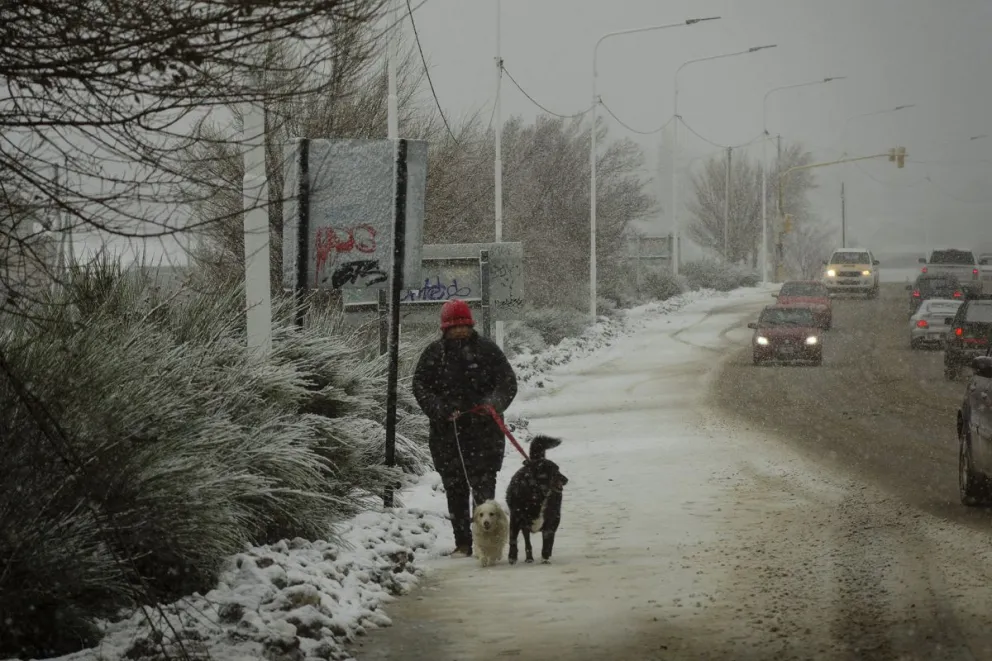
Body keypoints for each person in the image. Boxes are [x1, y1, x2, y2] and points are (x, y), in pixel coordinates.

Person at [412, 299, 518, 558]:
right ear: (444, 328)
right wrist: (439, 409)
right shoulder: (434, 355)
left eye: (464, 325)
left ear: (471, 325)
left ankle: (486, 543)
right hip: (447, 437)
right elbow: (420, 387)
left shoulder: (488, 351)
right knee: (455, 489)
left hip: (485, 435)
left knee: (484, 492)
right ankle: (462, 543)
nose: (459, 330)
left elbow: (507, 383)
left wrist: (492, 404)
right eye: (453, 326)